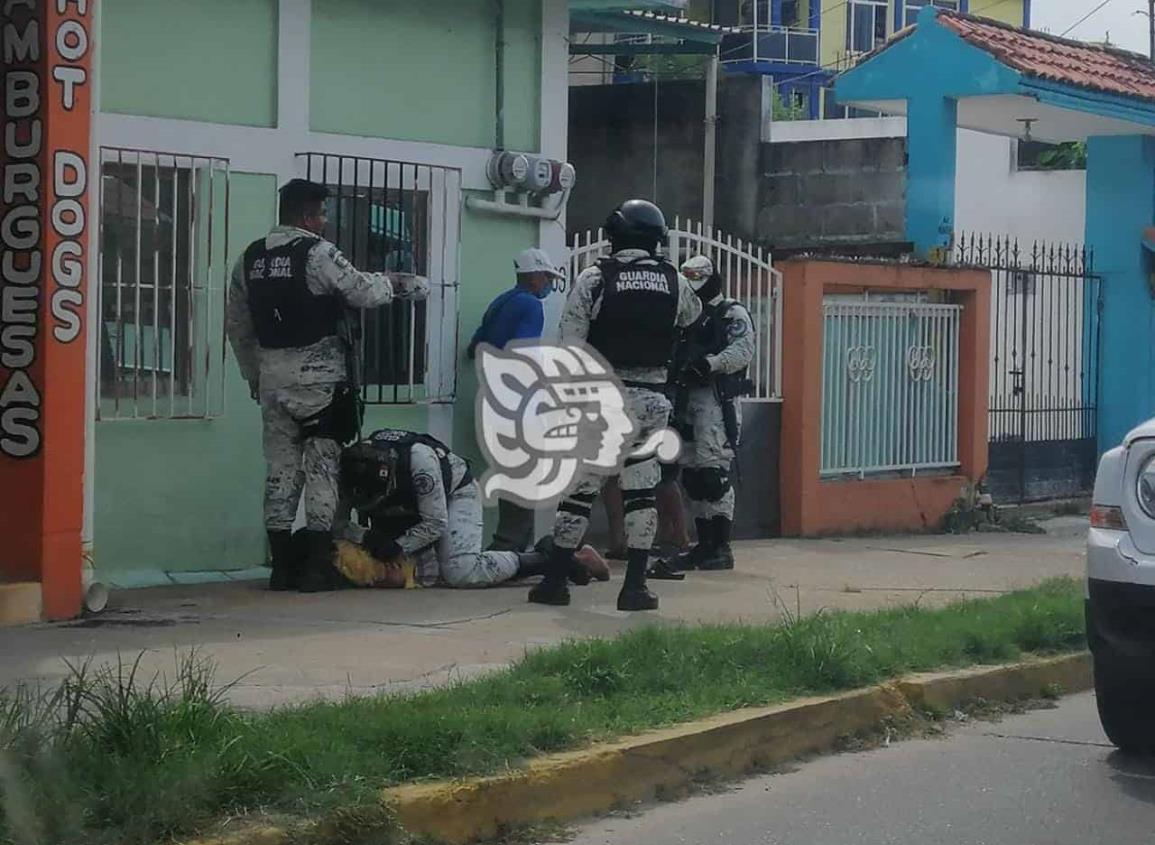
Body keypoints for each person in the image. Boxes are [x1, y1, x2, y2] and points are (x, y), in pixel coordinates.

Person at [225, 179, 429, 594]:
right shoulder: (316, 253)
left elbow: (237, 327)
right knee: (322, 469)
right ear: (305, 216)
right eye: (321, 215)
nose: (324, 223)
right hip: (320, 383)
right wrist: (401, 284)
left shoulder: (248, 259)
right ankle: (317, 568)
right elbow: (361, 291)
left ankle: (281, 568)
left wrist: (253, 376)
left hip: (273, 381)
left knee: (280, 470)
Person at [529, 199, 702, 612]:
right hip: (651, 399)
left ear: (614, 234)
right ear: (657, 237)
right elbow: (690, 320)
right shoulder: (674, 280)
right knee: (641, 492)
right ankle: (635, 588)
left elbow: (569, 342)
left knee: (580, 492)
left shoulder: (595, 277)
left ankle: (555, 582)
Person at [334, 429, 609, 588]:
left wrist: (395, 545)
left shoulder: (420, 464)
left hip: (454, 494)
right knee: (423, 576)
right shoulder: (348, 473)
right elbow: (337, 524)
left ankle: (549, 557)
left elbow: (435, 523)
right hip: (409, 509)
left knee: (460, 571)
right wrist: (367, 537)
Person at [657, 254, 755, 574]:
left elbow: (743, 351)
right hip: (685, 401)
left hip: (716, 401)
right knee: (694, 477)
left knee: (713, 474)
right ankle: (703, 544)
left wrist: (710, 364)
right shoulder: (684, 314)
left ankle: (720, 546)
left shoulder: (731, 313)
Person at [467, 248, 564, 553]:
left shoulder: (501, 302)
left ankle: (512, 545)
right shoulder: (531, 305)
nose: (548, 282)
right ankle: (510, 548)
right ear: (534, 276)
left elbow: (474, 348)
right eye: (547, 276)